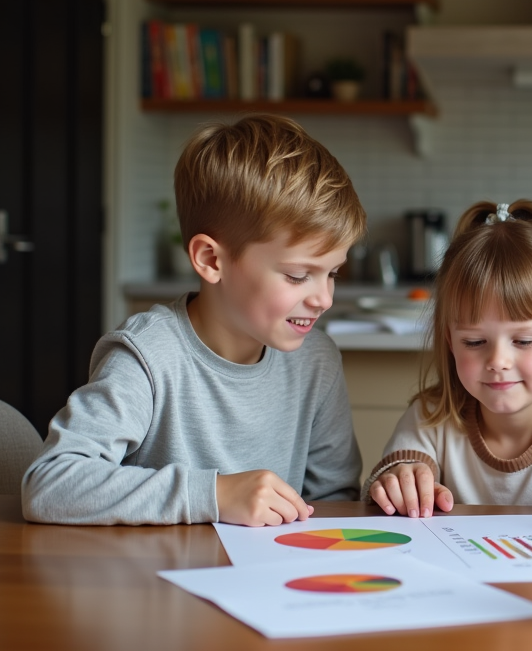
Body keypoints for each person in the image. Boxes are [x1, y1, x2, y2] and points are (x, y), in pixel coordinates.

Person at [22, 114, 366, 526]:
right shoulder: (149, 354)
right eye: (297, 276)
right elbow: (50, 484)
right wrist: (214, 494)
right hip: (152, 585)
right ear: (211, 260)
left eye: (332, 273)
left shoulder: (317, 360)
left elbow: (335, 500)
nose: (323, 298)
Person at [366, 200, 532, 519]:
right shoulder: (429, 417)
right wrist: (397, 483)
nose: (498, 361)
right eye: (475, 341)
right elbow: (386, 490)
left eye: (523, 341)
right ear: (450, 341)